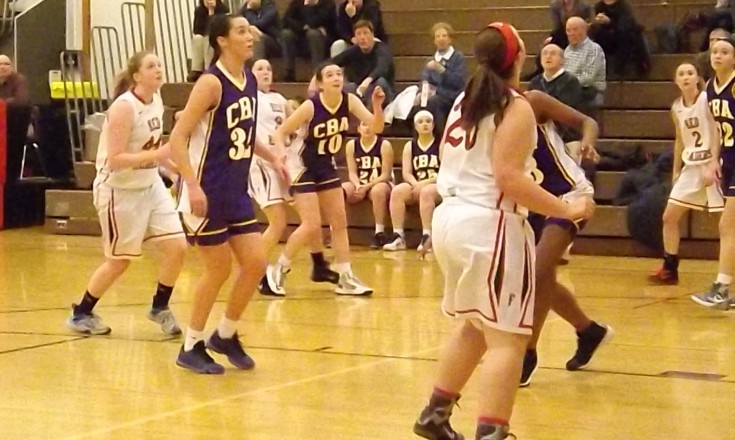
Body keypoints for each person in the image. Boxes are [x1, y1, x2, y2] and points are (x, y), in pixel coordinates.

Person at [412, 22, 594, 440]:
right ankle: (492, 433)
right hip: (488, 225)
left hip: (451, 219)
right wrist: (566, 208)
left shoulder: (466, 98)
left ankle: (435, 415)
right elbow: (509, 178)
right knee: (509, 340)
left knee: (476, 326)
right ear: (517, 58)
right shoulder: (515, 106)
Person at [170, 14, 288, 374]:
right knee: (218, 269)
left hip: (235, 190)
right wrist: (191, 185)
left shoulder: (248, 78)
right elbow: (177, 138)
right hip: (205, 191)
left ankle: (224, 335)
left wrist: (272, 157)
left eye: (249, 31)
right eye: (241, 31)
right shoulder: (210, 83)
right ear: (222, 40)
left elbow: (245, 133)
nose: (250, 36)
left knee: (255, 263)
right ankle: (191, 345)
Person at [65, 52, 187, 336]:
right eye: (151, 66)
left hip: (150, 185)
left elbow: (150, 146)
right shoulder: (124, 107)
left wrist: (172, 169)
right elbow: (116, 159)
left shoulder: (156, 100)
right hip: (118, 191)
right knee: (119, 261)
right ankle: (81, 312)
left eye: (160, 64)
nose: (158, 69)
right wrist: (159, 155)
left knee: (178, 247)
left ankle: (160, 307)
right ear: (136, 76)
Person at [520, 89, 612, 387]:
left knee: (538, 270)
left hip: (572, 194)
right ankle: (588, 331)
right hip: (534, 202)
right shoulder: (491, 116)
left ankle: (527, 352)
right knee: (541, 276)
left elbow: (588, 122)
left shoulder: (533, 101)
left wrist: (587, 143)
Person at [269, 62, 385, 296]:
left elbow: (377, 127)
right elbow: (280, 133)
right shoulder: (310, 106)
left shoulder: (350, 101)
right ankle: (278, 269)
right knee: (311, 224)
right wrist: (280, 153)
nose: (336, 78)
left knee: (339, 222)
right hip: (301, 165)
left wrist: (377, 106)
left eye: (339, 74)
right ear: (320, 84)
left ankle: (345, 276)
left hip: (325, 165)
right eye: (329, 75)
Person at [248, 60, 330, 297]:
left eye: (268, 68)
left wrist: (315, 93)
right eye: (259, 68)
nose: (265, 72)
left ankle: (318, 262)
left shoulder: (279, 99)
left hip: (283, 163)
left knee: (310, 218)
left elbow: (298, 122)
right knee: (278, 222)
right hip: (261, 164)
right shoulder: (249, 98)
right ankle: (256, 271)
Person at [649, 63, 723, 285]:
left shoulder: (707, 99)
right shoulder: (676, 107)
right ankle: (670, 268)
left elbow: (717, 130)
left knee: (726, 223)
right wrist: (676, 171)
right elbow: (680, 140)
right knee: (669, 217)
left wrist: (714, 161)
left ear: (698, 78)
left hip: (713, 163)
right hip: (691, 166)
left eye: (690, 73)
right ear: (676, 81)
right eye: (681, 74)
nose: (686, 77)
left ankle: (725, 275)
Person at [691, 37, 735, 309]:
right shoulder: (710, 87)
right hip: (728, 160)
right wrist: (714, 159)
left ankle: (721, 288)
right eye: (715, 51)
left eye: (725, 52)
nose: (717, 55)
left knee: (727, 225)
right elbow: (718, 130)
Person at [383, 110, 441, 253]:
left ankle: (427, 238)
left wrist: (423, 184)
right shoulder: (410, 146)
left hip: (436, 184)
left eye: (428, 121)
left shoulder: (440, 145)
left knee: (426, 192)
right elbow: (406, 173)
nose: (425, 124)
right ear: (415, 126)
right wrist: (415, 184)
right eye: (420, 122)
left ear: (433, 125)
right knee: (397, 191)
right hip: (416, 183)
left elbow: (444, 172)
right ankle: (398, 237)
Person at [342, 120, 394, 249]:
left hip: (380, 183)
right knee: (342, 189)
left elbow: (385, 175)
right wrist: (357, 185)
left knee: (378, 191)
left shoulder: (384, 145)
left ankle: (379, 232)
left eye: (371, 125)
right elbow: (352, 172)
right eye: (364, 124)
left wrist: (366, 187)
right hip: (360, 184)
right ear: (358, 128)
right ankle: (338, 231)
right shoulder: (351, 145)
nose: (367, 128)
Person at [326, 20, 395, 108]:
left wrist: (367, 81)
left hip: (382, 93)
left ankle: (370, 115)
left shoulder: (382, 49)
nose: (362, 37)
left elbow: (382, 67)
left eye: (365, 33)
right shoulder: (354, 50)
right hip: (361, 90)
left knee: (380, 82)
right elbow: (332, 62)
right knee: (346, 87)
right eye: (359, 34)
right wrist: (316, 77)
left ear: (372, 35)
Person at [417, 22, 468, 136]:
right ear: (434, 41)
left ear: (450, 39)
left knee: (435, 102)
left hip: (452, 95)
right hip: (435, 96)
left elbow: (458, 82)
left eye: (444, 36)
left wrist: (441, 70)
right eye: (438, 36)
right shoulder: (430, 60)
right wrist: (421, 92)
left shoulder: (458, 57)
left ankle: (441, 137)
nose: (441, 39)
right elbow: (425, 79)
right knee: (420, 104)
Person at [280, 0, 335, 82]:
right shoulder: (297, 3)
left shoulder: (327, 4)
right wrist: (303, 28)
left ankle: (317, 72)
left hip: (321, 40)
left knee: (313, 33)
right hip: (300, 38)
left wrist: (310, 7)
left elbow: (317, 21)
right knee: (286, 34)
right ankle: (289, 72)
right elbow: (286, 20)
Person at [564, 16, 606, 113]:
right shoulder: (567, 50)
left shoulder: (594, 49)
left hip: (591, 92)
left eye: (575, 30)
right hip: (570, 90)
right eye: (568, 30)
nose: (571, 33)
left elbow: (588, 79)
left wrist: (566, 82)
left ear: (584, 30)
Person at [188, 0, 230, 82]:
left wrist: (211, 13)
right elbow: (196, 30)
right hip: (204, 36)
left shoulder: (223, 9)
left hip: (218, 37)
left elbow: (217, 28)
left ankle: (208, 68)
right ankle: (196, 69)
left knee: (208, 39)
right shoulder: (199, 10)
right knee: (197, 38)